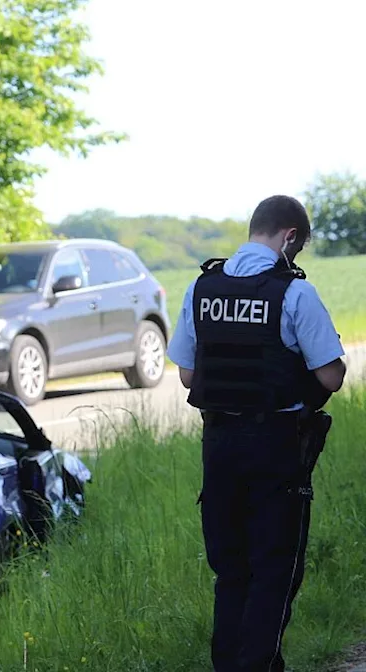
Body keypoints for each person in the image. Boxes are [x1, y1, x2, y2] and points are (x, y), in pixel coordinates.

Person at [168, 195, 346, 672]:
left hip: (219, 446)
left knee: (231, 571)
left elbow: (188, 376)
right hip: (275, 447)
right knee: (274, 571)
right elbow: (330, 377)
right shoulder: (295, 293)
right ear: (291, 237)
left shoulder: (202, 287)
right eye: (300, 247)